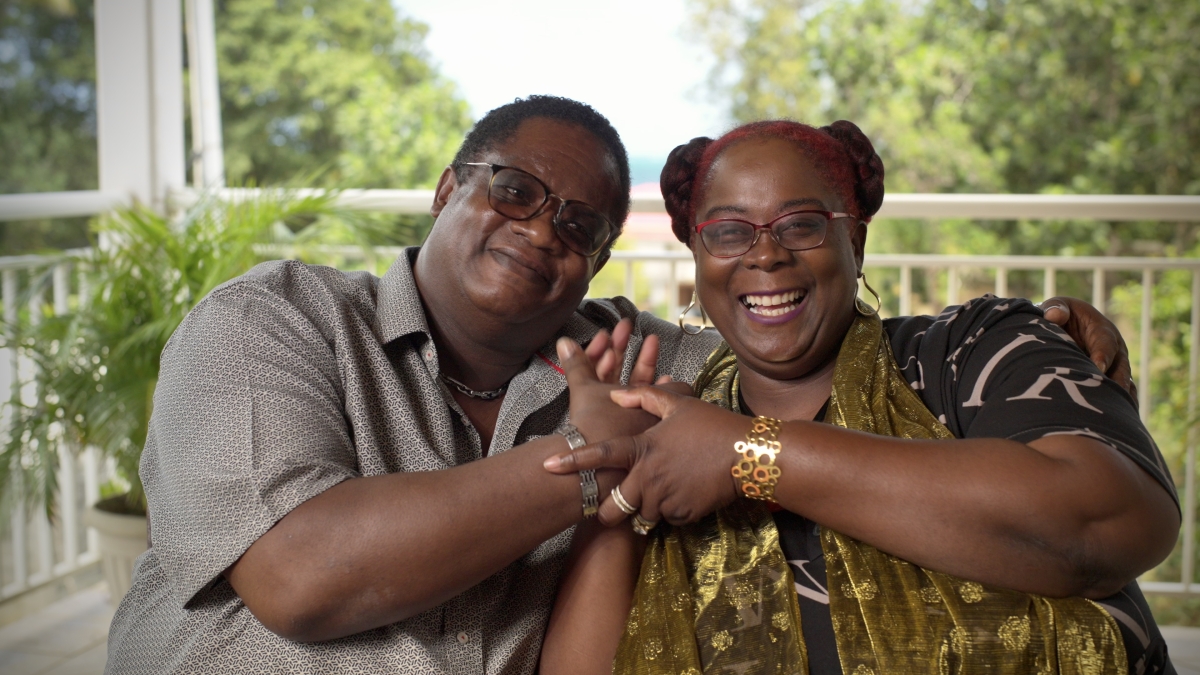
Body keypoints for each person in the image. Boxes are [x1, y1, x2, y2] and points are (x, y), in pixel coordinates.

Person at [104, 96, 1131, 674]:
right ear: (448, 190)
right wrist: (592, 469)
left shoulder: (637, 361)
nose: (541, 227)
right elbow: (302, 578)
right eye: (513, 188)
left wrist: (1014, 336)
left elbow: (785, 341)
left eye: (580, 225)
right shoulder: (271, 321)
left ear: (596, 265)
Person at [540, 120, 1179, 675]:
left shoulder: (969, 353)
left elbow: (1114, 524)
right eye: (729, 232)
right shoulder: (672, 416)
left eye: (802, 225)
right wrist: (614, 474)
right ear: (698, 255)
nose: (765, 254)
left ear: (857, 241)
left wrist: (749, 454)